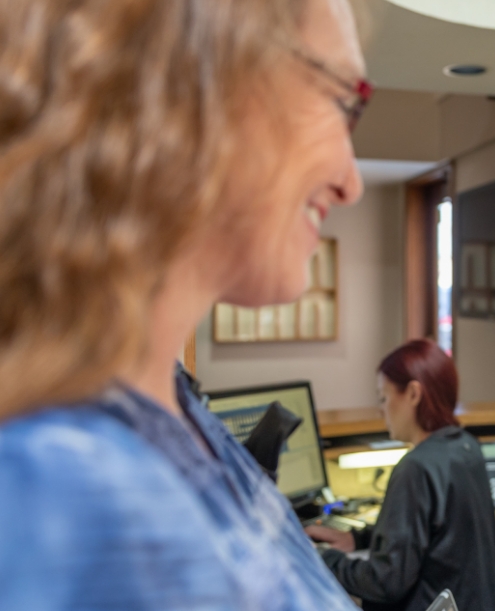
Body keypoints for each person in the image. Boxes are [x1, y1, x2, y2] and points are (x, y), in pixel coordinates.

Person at [0, 0, 369, 608]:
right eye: (340, 100)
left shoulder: (175, 416)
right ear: (197, 84)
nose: (351, 181)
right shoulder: (59, 492)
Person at [305, 339, 495, 611]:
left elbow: (385, 581)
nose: (381, 409)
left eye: (384, 398)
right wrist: (357, 539)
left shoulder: (416, 468)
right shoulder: (467, 447)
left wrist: (322, 558)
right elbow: (429, 535)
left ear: (412, 394)